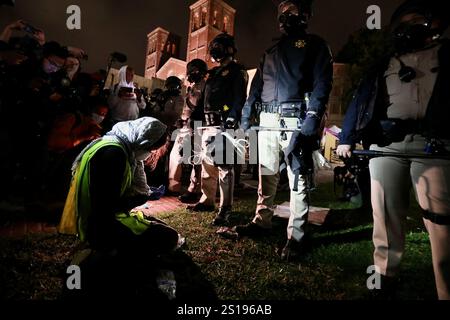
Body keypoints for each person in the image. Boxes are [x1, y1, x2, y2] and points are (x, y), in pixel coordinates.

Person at [337, 0, 450, 300]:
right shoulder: (383, 63)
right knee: (385, 211)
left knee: (440, 219)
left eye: (419, 21)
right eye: (405, 22)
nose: (412, 27)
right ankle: (385, 273)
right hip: (386, 145)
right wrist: (346, 137)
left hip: (434, 145)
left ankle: (446, 285)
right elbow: (361, 99)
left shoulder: (446, 54)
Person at [235, 0, 333, 261]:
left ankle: (297, 236)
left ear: (305, 15)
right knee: (265, 176)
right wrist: (246, 117)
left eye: (293, 11)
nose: (286, 16)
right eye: (283, 12)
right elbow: (255, 88)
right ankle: (261, 220)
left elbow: (323, 83)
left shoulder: (315, 44)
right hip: (266, 121)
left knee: (297, 179)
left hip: (295, 122)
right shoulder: (270, 51)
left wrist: (312, 119)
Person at [59, 117, 179, 256]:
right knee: (170, 237)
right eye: (150, 149)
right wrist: (137, 199)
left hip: (97, 220)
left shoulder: (110, 143)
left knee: (156, 223)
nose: (149, 154)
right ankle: (109, 250)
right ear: (142, 140)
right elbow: (105, 206)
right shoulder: (115, 154)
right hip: (100, 227)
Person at [186, 33, 248, 226]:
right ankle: (207, 201)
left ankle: (225, 209)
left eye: (219, 46)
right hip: (207, 125)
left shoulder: (238, 71)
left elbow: (239, 98)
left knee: (224, 168)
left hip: (224, 125)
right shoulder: (212, 74)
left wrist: (231, 117)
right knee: (207, 166)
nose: (215, 49)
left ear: (229, 48)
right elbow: (204, 100)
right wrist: (194, 118)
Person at [168, 59, 207, 202]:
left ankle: (195, 189)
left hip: (196, 126)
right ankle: (173, 187)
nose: (190, 73)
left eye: (194, 70)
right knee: (175, 156)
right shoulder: (191, 87)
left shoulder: (205, 86)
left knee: (195, 159)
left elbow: (201, 108)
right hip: (183, 126)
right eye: (190, 70)